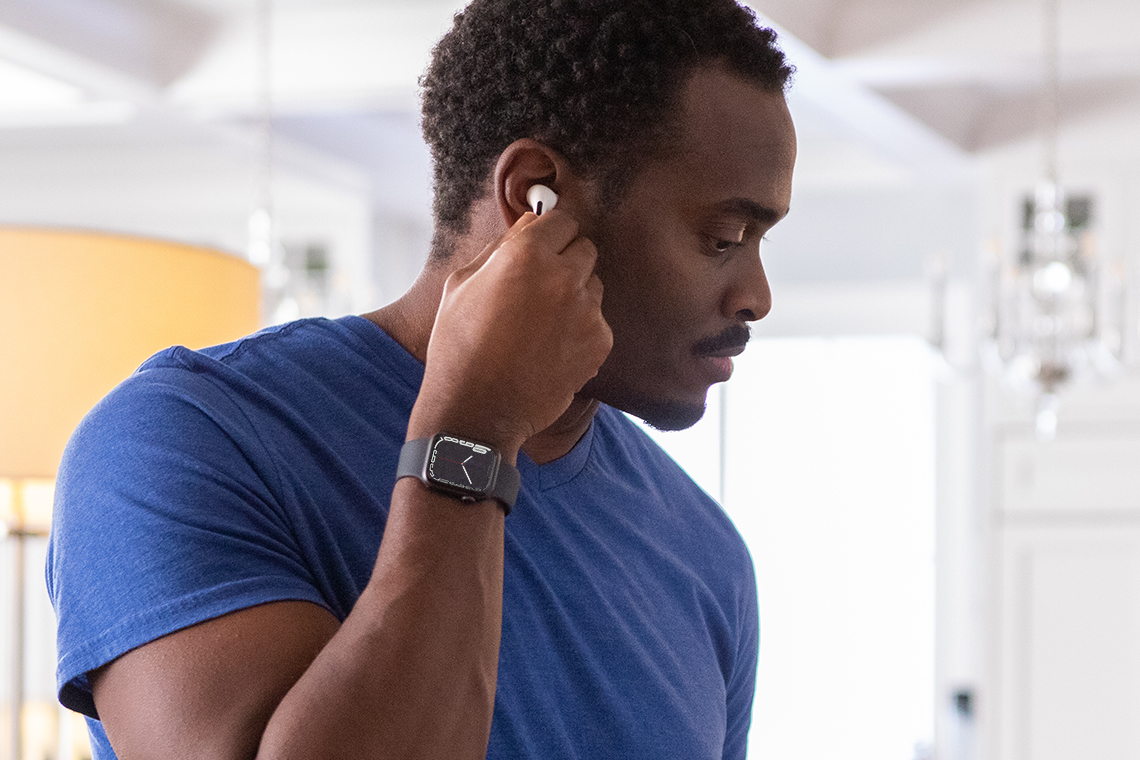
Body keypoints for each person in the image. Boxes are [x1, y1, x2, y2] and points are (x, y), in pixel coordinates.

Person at [47, 0, 796, 758]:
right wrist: (471, 433)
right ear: (535, 196)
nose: (756, 296)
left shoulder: (706, 556)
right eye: (722, 238)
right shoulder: (178, 441)